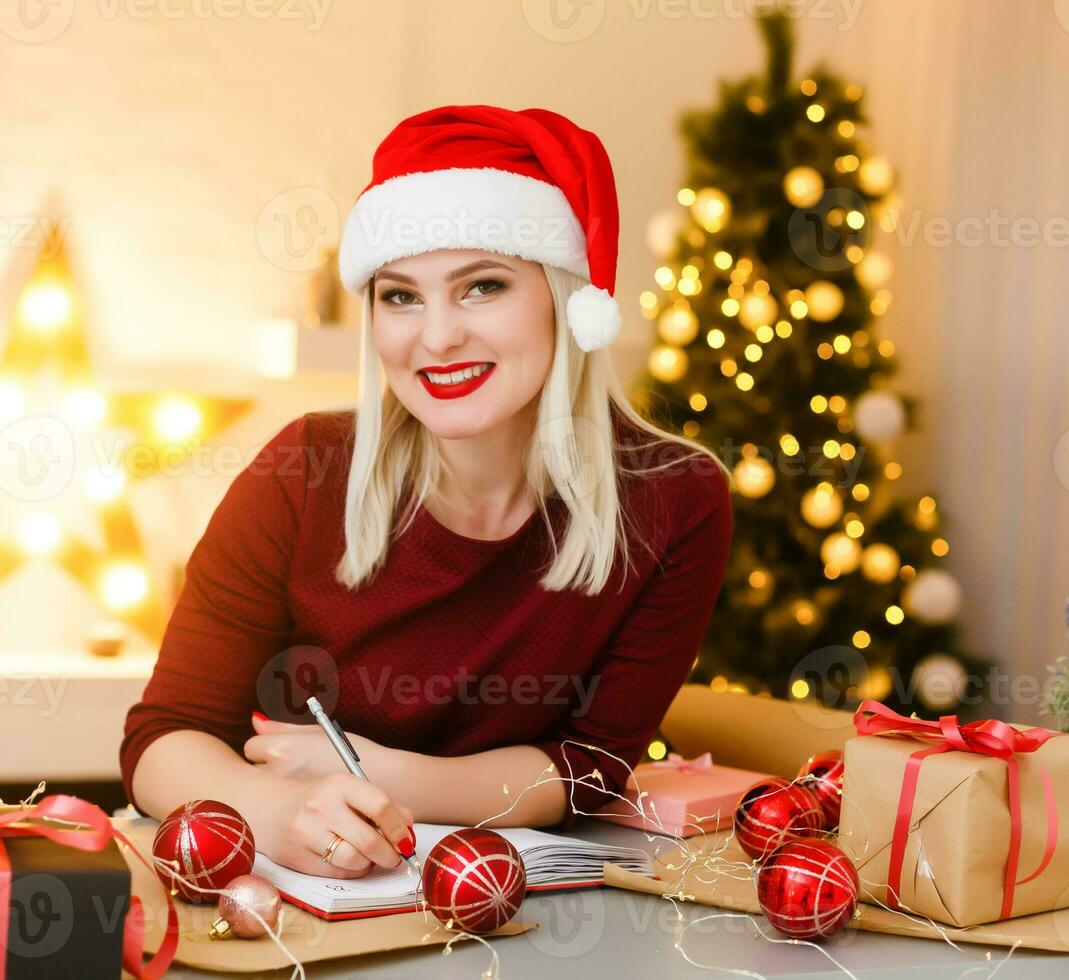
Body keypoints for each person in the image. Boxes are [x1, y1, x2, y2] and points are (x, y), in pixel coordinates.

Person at [121, 105, 733, 879]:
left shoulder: (675, 499)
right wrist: (276, 813)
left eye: (482, 286)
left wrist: (396, 779)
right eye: (400, 295)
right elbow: (163, 739)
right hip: (303, 902)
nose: (435, 337)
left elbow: (591, 766)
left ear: (565, 297)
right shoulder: (303, 471)